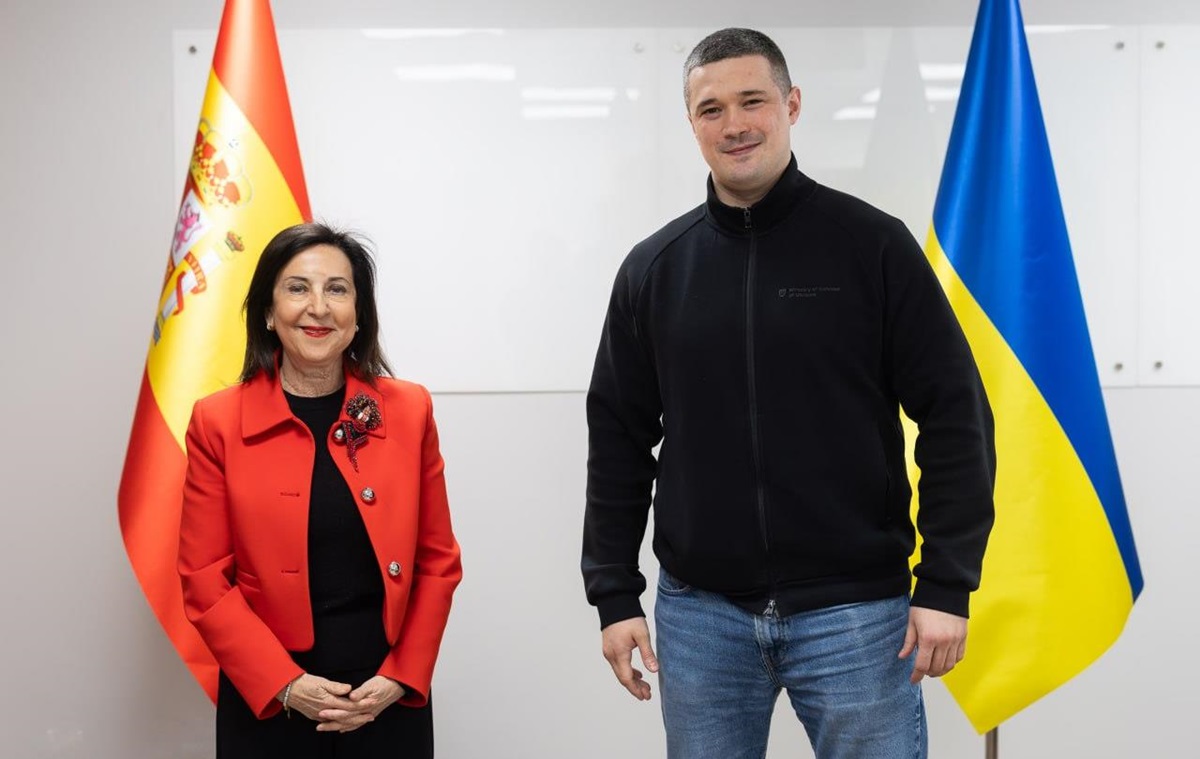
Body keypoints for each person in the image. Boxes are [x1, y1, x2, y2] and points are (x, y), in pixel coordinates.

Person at [582, 28, 996, 759]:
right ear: (692, 123)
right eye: (711, 109)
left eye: (753, 101)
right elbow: (618, 436)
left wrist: (945, 583)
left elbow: (955, 412)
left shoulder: (873, 246)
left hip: (857, 614)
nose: (734, 124)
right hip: (701, 616)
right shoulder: (654, 269)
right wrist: (614, 593)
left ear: (792, 104)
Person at [179, 222, 462, 758]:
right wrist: (284, 684)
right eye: (297, 288)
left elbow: (438, 561)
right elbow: (204, 579)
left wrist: (401, 676)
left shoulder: (409, 410)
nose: (318, 307)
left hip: (384, 692)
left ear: (359, 315)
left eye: (337, 289)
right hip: (269, 698)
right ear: (268, 311)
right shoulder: (217, 421)